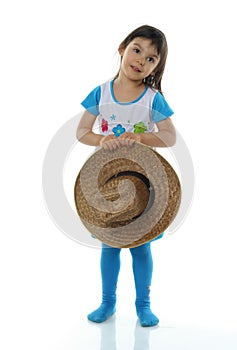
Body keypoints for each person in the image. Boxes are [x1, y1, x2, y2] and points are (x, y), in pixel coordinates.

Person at [76, 24, 176, 327]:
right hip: (107, 181)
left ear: (157, 66)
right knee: (110, 242)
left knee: (140, 244)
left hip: (143, 180)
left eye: (151, 59)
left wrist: (143, 139)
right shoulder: (101, 93)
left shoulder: (152, 99)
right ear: (122, 49)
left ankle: (143, 305)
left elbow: (169, 136)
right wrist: (102, 140)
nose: (141, 60)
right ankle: (108, 302)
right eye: (137, 50)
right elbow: (82, 131)